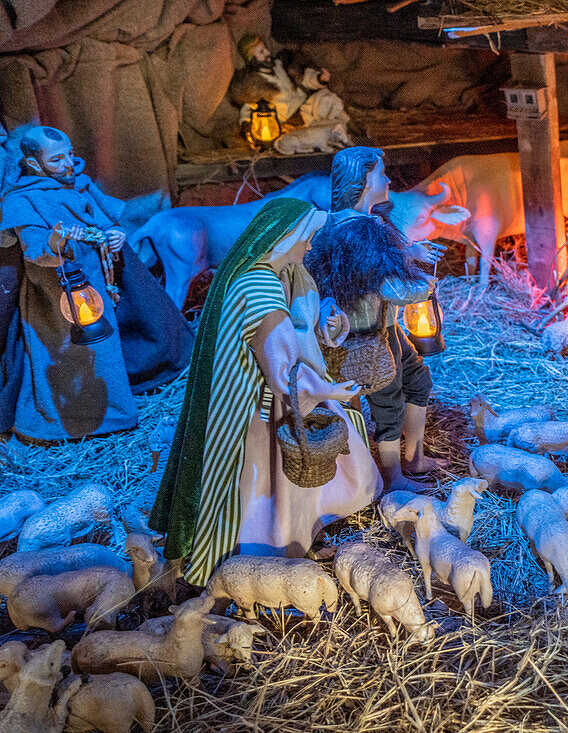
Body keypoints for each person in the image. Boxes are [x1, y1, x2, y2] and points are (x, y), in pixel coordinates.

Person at [150, 198, 381, 587]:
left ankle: (292, 541)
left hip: (240, 399)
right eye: (305, 239)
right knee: (263, 486)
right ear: (285, 238)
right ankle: (263, 560)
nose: (309, 246)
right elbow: (284, 375)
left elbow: (296, 336)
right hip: (251, 411)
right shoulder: (262, 292)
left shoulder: (254, 276)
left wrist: (325, 328)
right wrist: (331, 391)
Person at [0, 125, 192, 441]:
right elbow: (33, 246)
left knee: (107, 348)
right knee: (67, 354)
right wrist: (57, 239)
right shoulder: (22, 201)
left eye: (70, 155)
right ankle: (79, 421)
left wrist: (114, 235)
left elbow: (103, 221)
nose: (67, 164)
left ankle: (118, 408)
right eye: (57, 158)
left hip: (96, 282)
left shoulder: (80, 186)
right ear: (34, 164)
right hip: (55, 292)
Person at [307, 146, 447, 492]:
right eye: (381, 174)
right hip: (365, 337)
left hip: (387, 329)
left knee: (418, 380)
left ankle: (414, 457)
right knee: (388, 401)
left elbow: (376, 267)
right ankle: (394, 477)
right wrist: (421, 287)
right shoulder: (358, 232)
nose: (387, 179)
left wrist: (410, 252)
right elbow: (389, 287)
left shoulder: (368, 223)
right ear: (363, 181)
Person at [229, 34, 350, 140]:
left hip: (303, 108)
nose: (268, 52)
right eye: (261, 52)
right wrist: (246, 126)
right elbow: (248, 108)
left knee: (327, 98)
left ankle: (346, 131)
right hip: (284, 123)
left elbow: (303, 82)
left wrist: (319, 78)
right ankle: (329, 135)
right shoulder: (253, 84)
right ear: (251, 58)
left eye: (265, 48)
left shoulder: (279, 66)